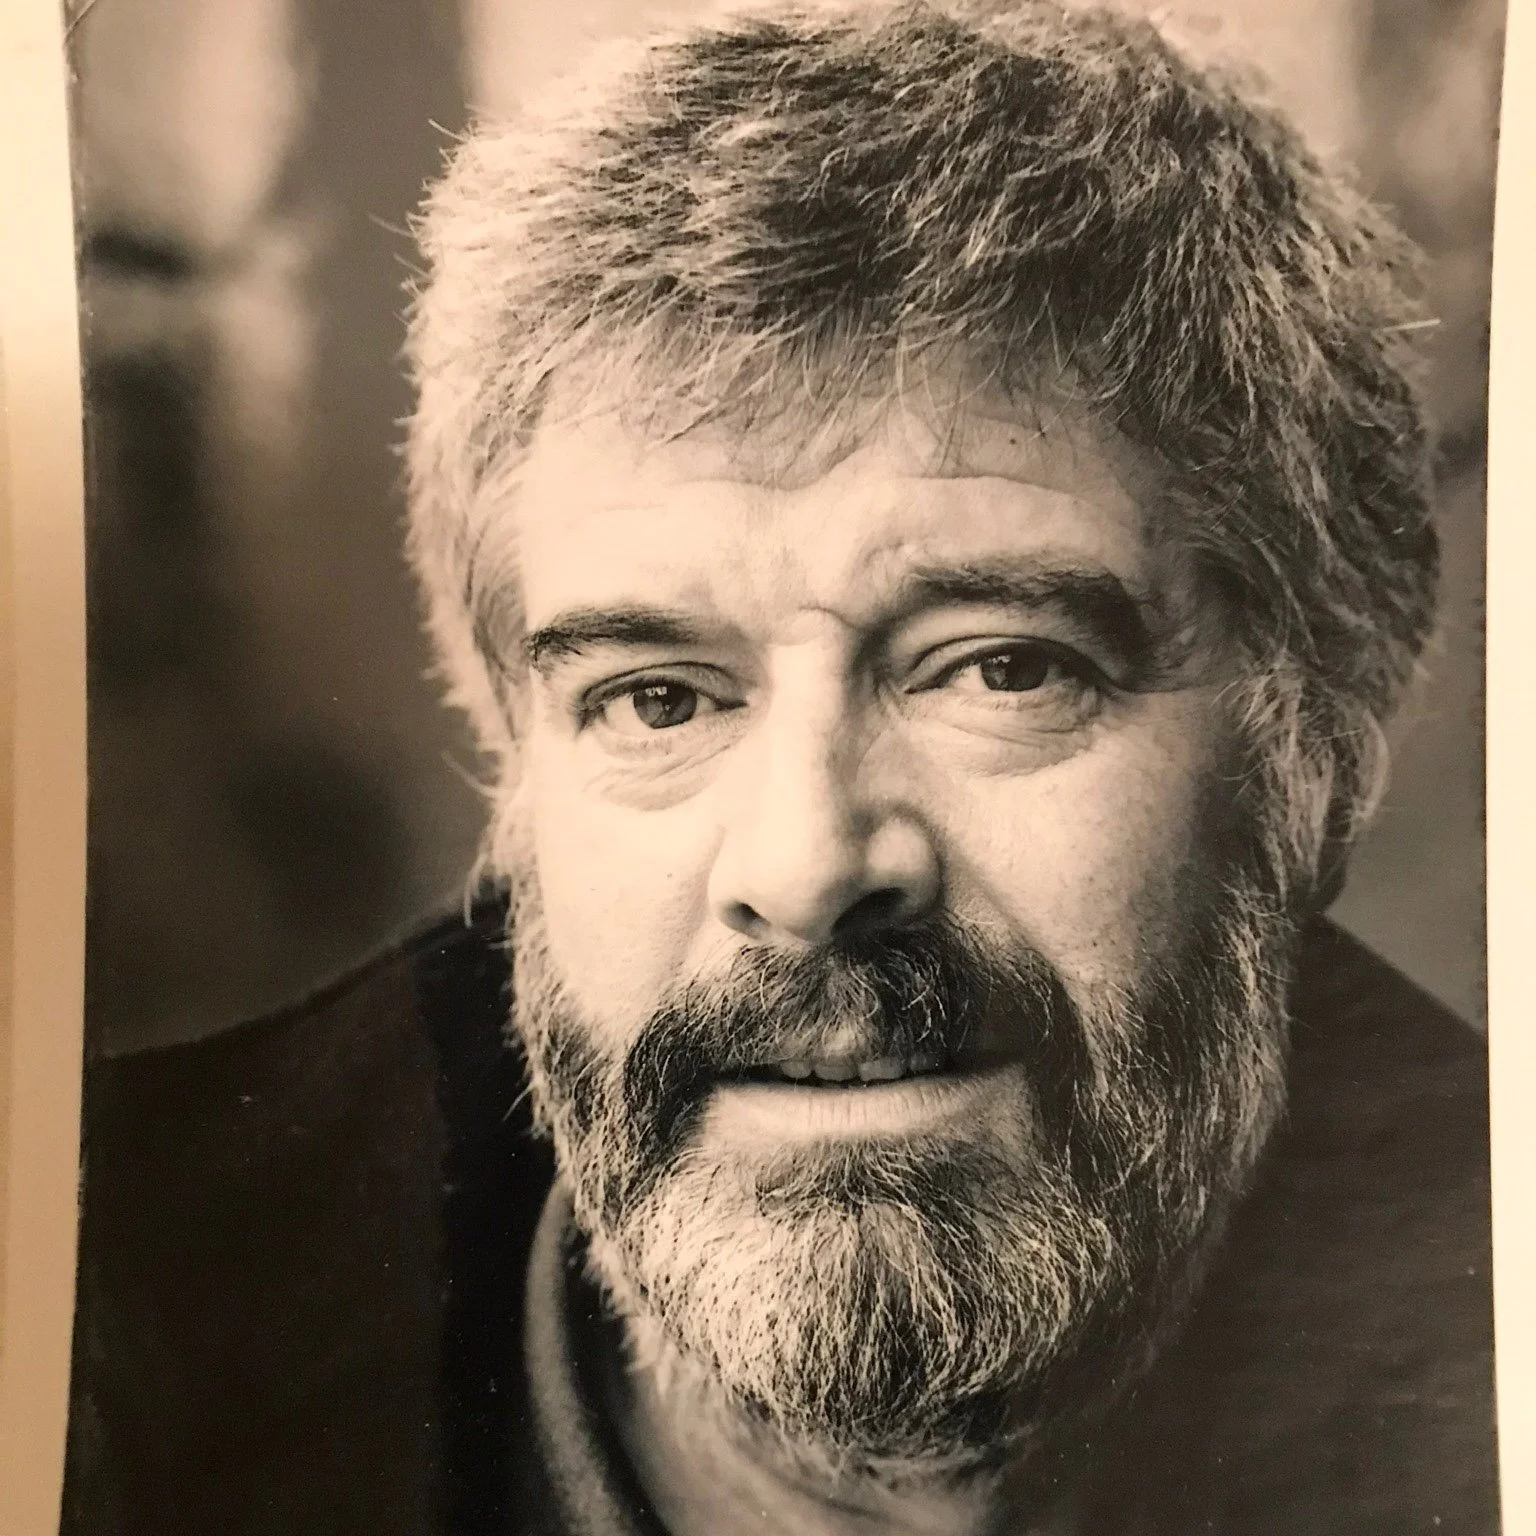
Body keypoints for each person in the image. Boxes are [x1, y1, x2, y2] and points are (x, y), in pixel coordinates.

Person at [64, 2, 1496, 1533]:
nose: (807, 867)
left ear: (1315, 755)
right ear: (517, 781)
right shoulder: (89, 1363)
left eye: (1002, 667)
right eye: (659, 698)